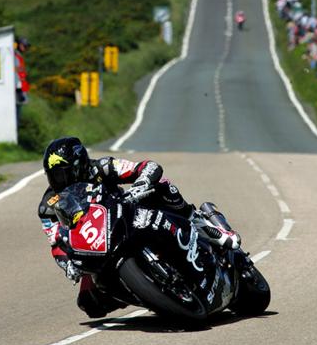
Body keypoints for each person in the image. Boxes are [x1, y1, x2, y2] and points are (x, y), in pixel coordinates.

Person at [38, 136, 241, 318]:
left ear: (79, 165)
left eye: (63, 174)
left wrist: (142, 183)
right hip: (95, 243)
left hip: (126, 214)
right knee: (89, 303)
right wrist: (67, 265)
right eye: (53, 176)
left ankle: (200, 222)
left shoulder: (102, 167)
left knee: (160, 184)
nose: (59, 181)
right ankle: (147, 293)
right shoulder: (48, 206)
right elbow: (55, 241)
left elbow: (147, 167)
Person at [14, 36, 30, 128]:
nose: (26, 48)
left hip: (20, 87)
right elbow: (16, 73)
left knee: (18, 110)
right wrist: (18, 88)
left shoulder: (18, 56)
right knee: (17, 111)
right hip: (18, 88)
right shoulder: (15, 56)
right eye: (24, 46)